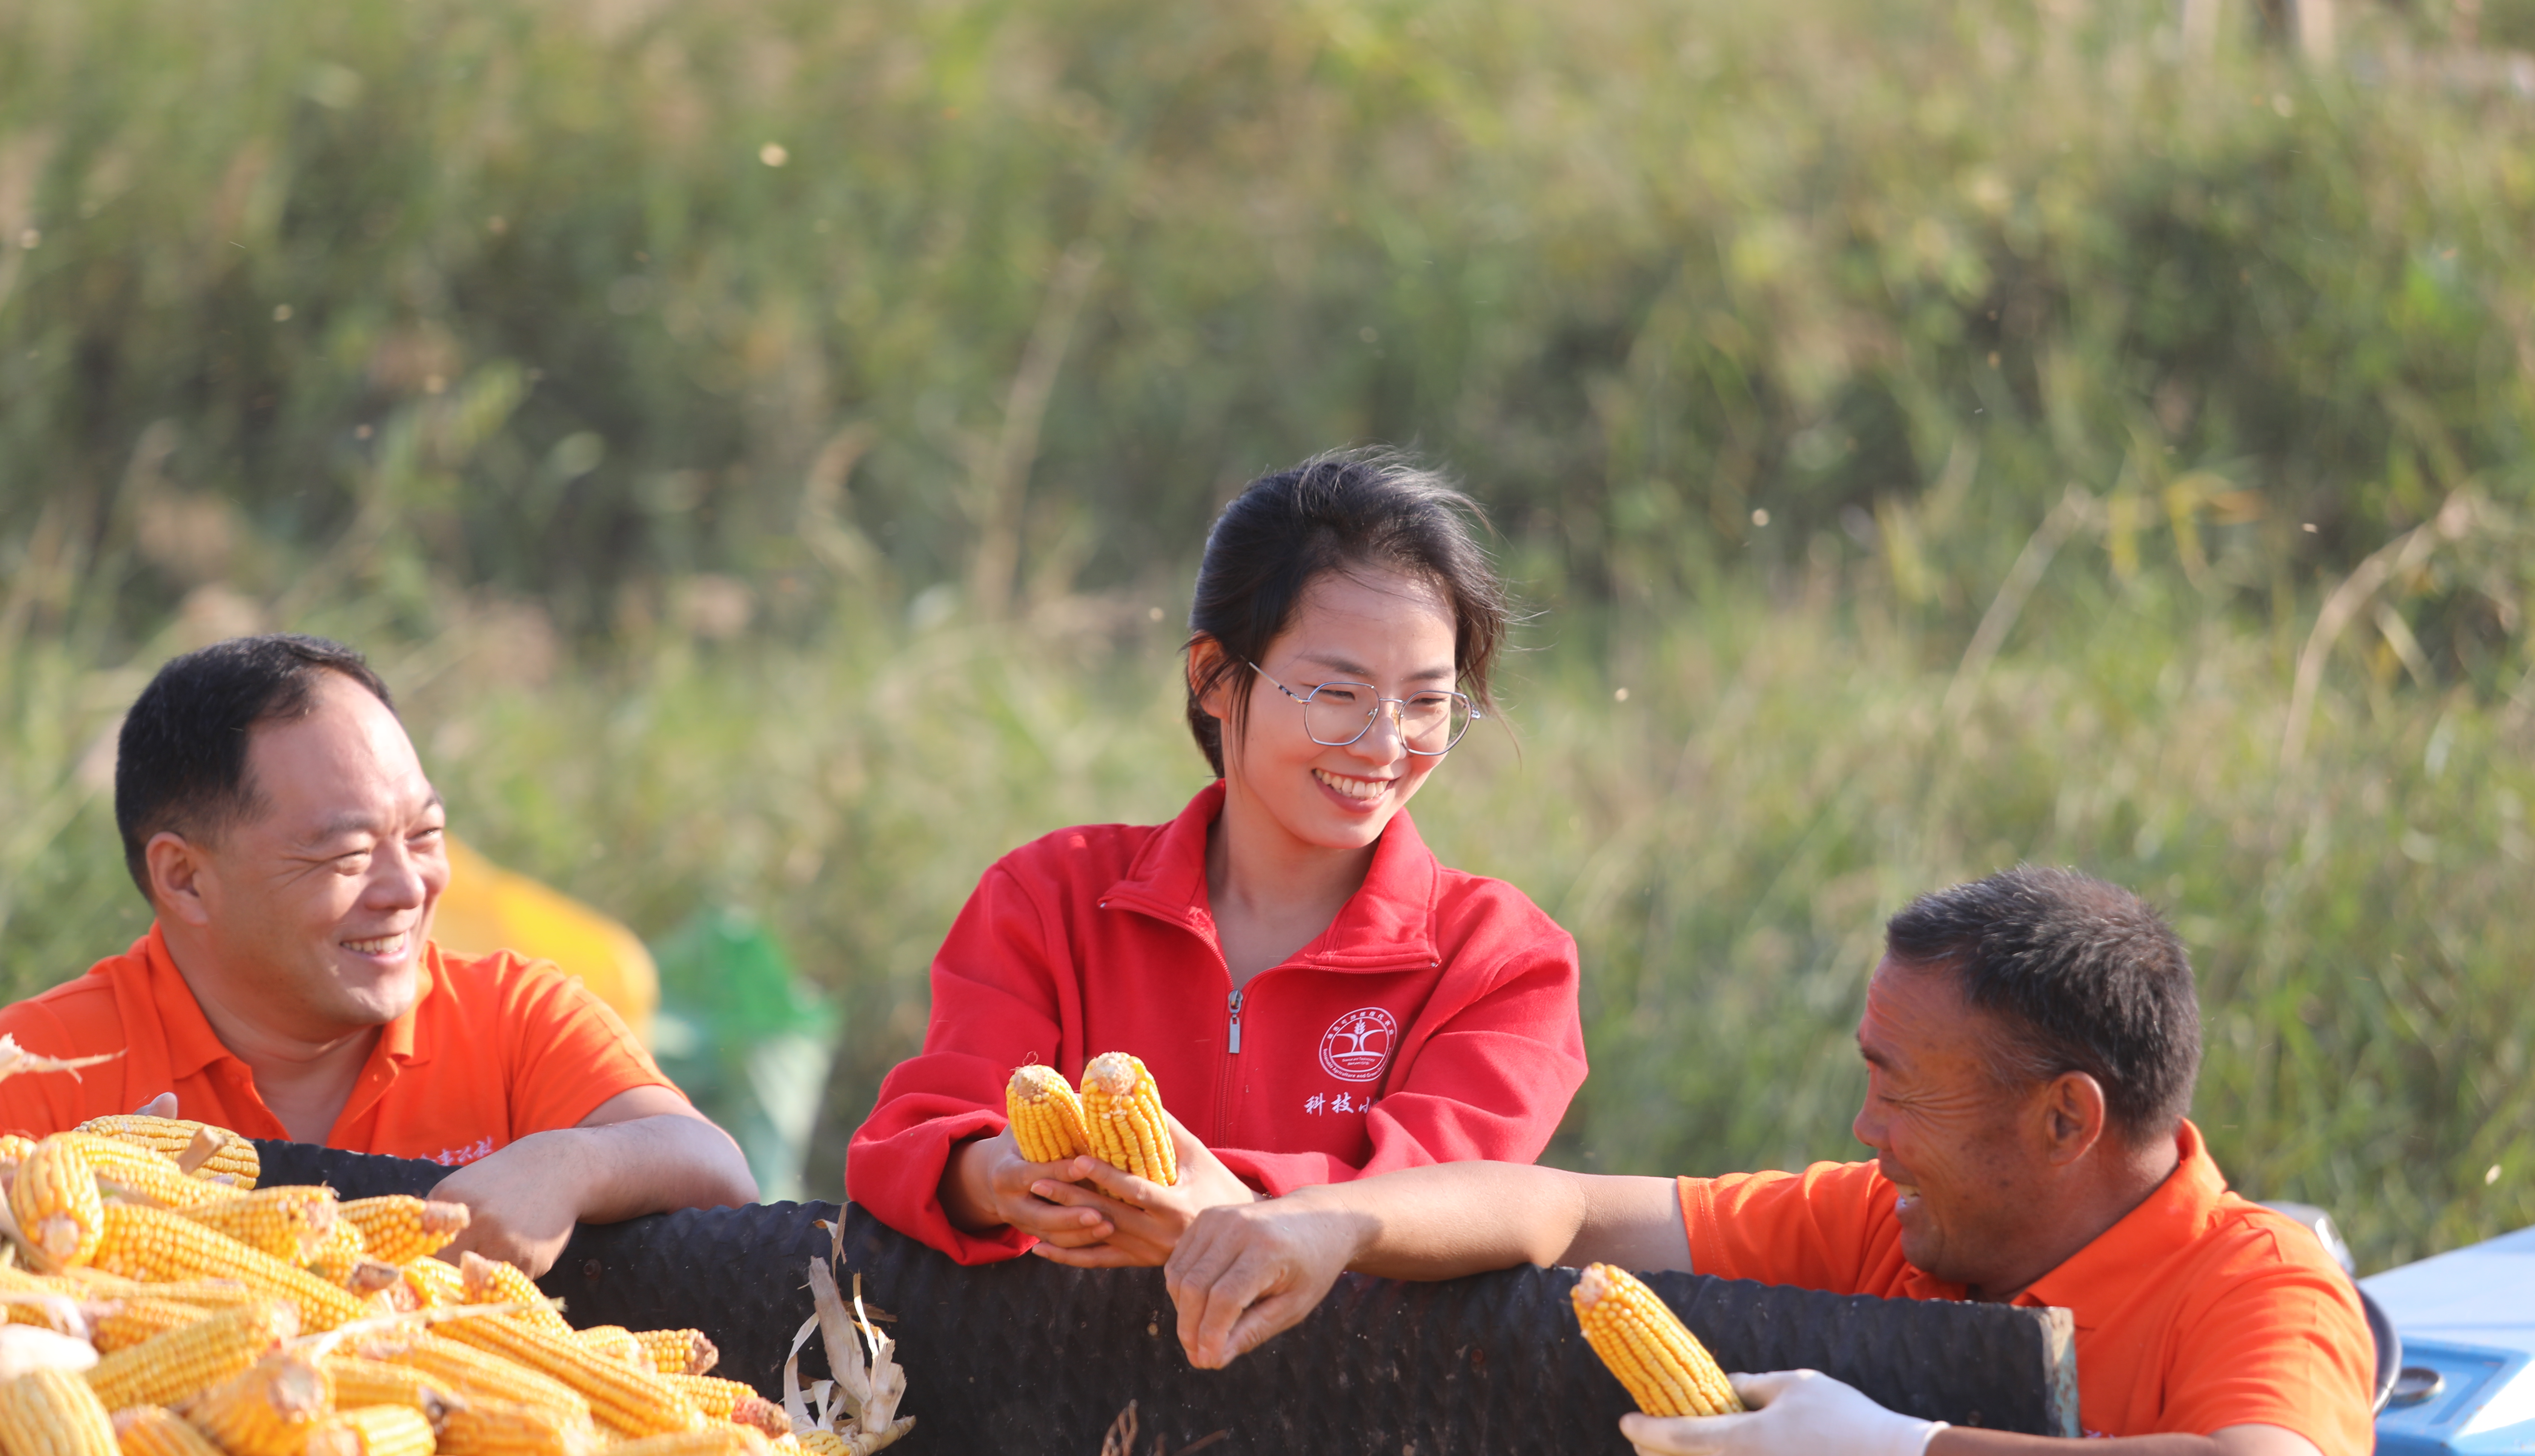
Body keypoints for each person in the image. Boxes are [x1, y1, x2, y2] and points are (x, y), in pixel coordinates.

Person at [1161, 868, 2372, 1456]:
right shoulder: (1882, 1227)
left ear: (2067, 1121)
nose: (1865, 1125)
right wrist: (1326, 1224)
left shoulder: (2263, 1289)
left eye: (1902, 1088)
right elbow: (1569, 1210)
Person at [846, 450, 1588, 1266]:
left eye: (1426, 702)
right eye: (1336, 693)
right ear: (1215, 677)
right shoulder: (1046, 898)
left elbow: (1437, 1196)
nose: (1385, 745)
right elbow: (917, 1138)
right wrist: (994, 1173)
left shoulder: (1506, 960)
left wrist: (1216, 1200)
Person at [0, 635, 757, 1275]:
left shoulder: (515, 1016)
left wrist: (570, 1162)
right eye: (348, 853)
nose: (407, 887)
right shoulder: (39, 1069)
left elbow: (719, 1170)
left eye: (424, 835)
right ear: (186, 878)